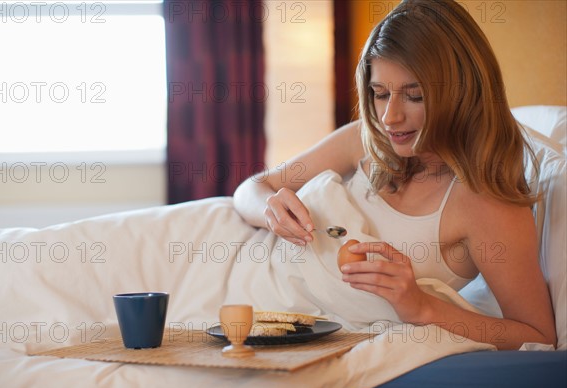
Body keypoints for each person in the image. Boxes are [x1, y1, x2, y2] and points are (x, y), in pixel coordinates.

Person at [233, 0, 557, 350]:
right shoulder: (365, 139)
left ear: (462, 92)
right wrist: (271, 209)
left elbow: (537, 335)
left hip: (254, 315)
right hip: (237, 250)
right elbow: (250, 188)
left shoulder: (485, 203)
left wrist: (422, 307)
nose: (389, 117)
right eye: (380, 94)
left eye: (414, 96)